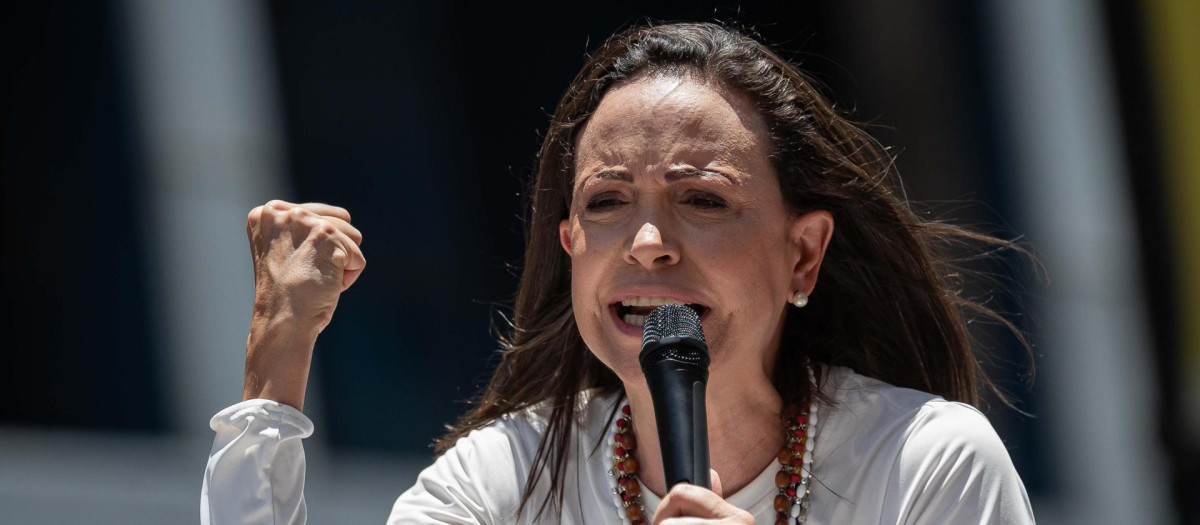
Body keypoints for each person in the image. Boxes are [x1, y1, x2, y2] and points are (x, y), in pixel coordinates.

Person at [203, 22, 1036, 524]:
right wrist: (277, 360)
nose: (646, 241)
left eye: (703, 200)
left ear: (803, 254)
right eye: (606, 202)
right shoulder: (507, 482)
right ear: (569, 244)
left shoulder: (926, 462)